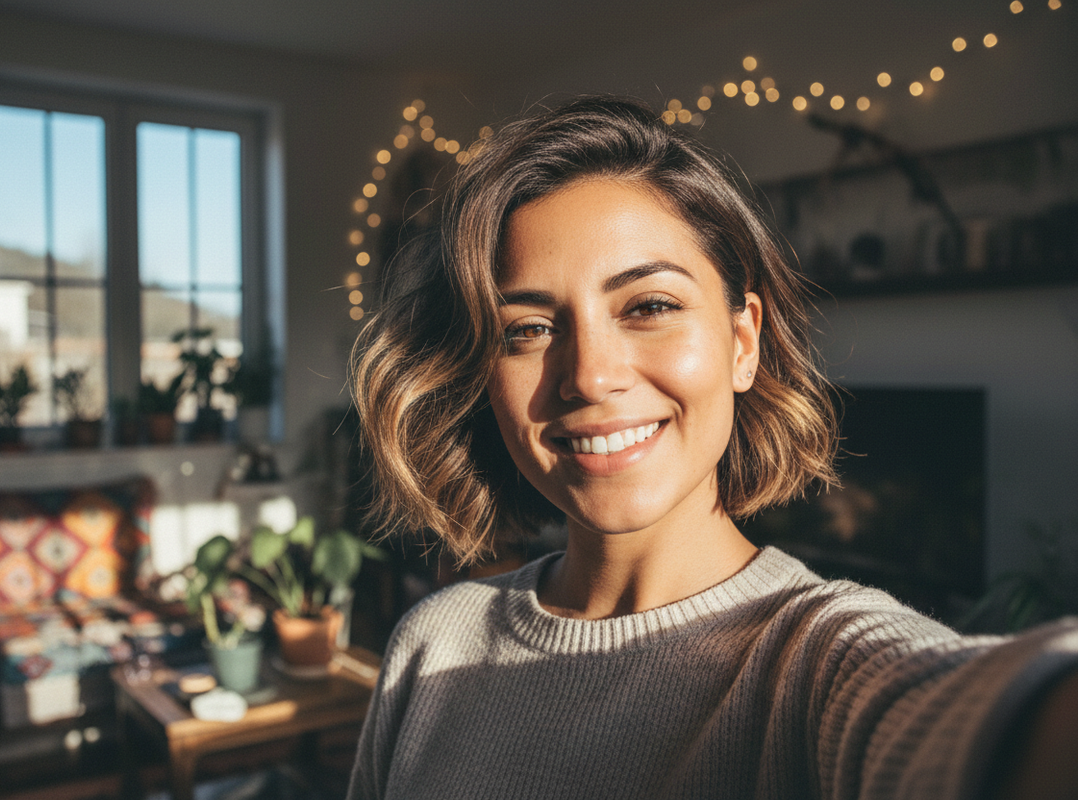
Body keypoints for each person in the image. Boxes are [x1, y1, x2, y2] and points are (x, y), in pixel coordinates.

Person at [346, 96, 1078, 799]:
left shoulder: (819, 662)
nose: (590, 377)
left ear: (741, 340)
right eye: (528, 329)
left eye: (650, 307)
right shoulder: (432, 644)